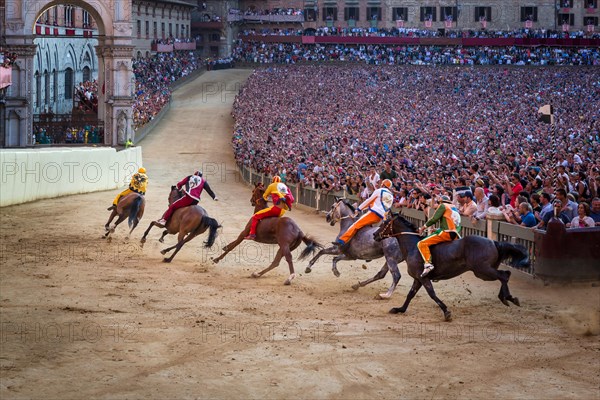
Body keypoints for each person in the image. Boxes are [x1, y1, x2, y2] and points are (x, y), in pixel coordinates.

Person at [334, 179, 394, 246]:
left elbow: (369, 201)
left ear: (383, 184)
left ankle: (342, 240)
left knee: (355, 225)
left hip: (373, 214)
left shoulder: (379, 191)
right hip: (381, 218)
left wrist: (358, 209)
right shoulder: (391, 196)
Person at [417, 195, 461, 277]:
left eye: (437, 202)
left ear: (440, 202)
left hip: (446, 233)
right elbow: (450, 222)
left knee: (421, 243)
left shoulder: (443, 205)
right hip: (456, 235)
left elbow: (434, 219)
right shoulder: (453, 207)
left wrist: (423, 228)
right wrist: (437, 229)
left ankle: (428, 264)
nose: (436, 205)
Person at [245, 175, 294, 240]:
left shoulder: (271, 185)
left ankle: (252, 235)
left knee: (256, 216)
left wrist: (263, 198)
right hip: (283, 211)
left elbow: (265, 196)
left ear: (273, 180)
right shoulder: (285, 186)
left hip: (276, 209)